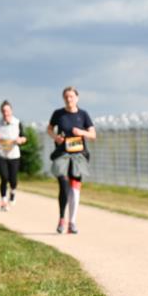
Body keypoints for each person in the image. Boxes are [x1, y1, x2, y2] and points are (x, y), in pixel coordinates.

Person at [47, 87, 96, 234]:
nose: (69, 99)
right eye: (66, 97)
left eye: (72, 96)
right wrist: (56, 137)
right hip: (62, 153)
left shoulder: (83, 115)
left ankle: (72, 222)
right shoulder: (58, 114)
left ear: (77, 98)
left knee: (74, 188)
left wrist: (81, 132)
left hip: (78, 155)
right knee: (63, 184)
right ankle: (62, 218)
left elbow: (93, 135)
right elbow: (49, 129)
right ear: (64, 99)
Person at [0, 100, 27, 212]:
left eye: (7, 110)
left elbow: (24, 137)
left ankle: (13, 192)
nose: (5, 113)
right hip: (0, 154)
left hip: (14, 154)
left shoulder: (17, 122)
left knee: (13, 179)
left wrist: (20, 140)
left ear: (11, 111)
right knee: (4, 177)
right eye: (3, 111)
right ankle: (3, 201)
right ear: (1, 111)